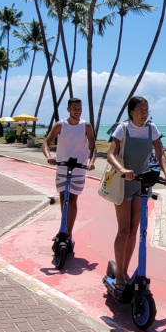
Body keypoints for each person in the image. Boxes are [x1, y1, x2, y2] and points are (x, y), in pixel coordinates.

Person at [105, 97, 166, 288]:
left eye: (146, 110)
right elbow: (110, 154)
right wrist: (122, 169)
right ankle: (119, 274)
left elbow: (160, 154)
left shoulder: (151, 128)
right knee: (124, 229)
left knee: (135, 230)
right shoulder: (123, 128)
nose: (144, 114)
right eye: (140, 110)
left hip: (141, 182)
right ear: (131, 112)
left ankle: (125, 271)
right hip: (124, 182)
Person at [42, 98, 97, 240]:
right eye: (74, 109)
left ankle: (69, 233)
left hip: (79, 169)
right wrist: (49, 157)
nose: (77, 111)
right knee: (63, 198)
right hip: (62, 168)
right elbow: (46, 144)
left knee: (72, 200)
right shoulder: (60, 125)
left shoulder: (86, 126)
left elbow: (93, 147)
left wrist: (91, 162)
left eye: (79, 109)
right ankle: (63, 230)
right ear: (68, 110)